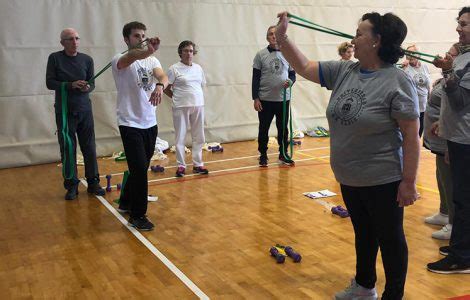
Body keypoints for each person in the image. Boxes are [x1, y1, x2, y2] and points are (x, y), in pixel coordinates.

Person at [276, 11, 420, 299]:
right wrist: (282, 38)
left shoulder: (397, 81)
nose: (353, 37)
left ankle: (394, 294)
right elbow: (303, 66)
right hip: (349, 176)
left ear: (377, 41)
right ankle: (365, 286)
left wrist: (408, 182)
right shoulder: (345, 71)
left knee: (390, 239)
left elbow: (411, 137)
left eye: (360, 32)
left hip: (384, 178)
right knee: (364, 234)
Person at [111, 21, 168, 231]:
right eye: (136, 36)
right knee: (139, 170)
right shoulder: (119, 60)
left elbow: (162, 76)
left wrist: (161, 86)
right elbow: (134, 56)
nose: (141, 38)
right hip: (129, 123)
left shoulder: (152, 59)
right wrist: (146, 50)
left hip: (149, 122)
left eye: (143, 35)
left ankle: (126, 200)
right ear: (126, 39)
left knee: (140, 167)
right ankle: (138, 215)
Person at [427, 6, 470, 274]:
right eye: (459, 23)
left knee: (464, 199)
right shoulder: (464, 58)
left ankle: (462, 256)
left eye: (464, 24)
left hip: (466, 140)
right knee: (461, 197)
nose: (458, 28)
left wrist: (447, 73)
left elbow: (461, 101)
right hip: (458, 138)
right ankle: (462, 245)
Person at [46, 28, 105, 200]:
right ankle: (71, 185)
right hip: (65, 112)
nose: (75, 41)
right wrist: (71, 85)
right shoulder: (55, 58)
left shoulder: (87, 59)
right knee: (68, 148)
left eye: (77, 38)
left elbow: (92, 83)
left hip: (85, 110)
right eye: (70, 39)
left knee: (89, 147)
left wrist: (87, 87)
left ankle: (93, 183)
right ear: (62, 42)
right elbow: (50, 83)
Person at [423, 44, 460, 241]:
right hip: (437, 138)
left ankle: (453, 224)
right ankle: (444, 212)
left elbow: (454, 107)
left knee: (450, 181)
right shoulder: (442, 79)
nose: (447, 55)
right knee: (441, 176)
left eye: (451, 55)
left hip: (447, 138)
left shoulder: (456, 80)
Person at [252, 25, 296, 167]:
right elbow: (255, 78)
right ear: (267, 37)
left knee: (283, 128)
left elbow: (292, 75)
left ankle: (283, 153)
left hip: (283, 99)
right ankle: (263, 155)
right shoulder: (260, 54)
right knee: (263, 128)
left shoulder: (288, 54)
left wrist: (290, 81)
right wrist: (255, 98)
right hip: (265, 99)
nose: (273, 36)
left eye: (275, 34)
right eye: (270, 34)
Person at [164, 41, 209, 177]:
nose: (188, 53)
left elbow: (201, 85)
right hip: (180, 107)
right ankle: (181, 166)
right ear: (180, 52)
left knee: (198, 136)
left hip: (198, 105)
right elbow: (166, 87)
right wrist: (176, 97)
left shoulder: (198, 68)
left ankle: (198, 164)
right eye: (185, 51)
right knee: (180, 136)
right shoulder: (174, 69)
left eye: (190, 51)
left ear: (193, 53)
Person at [402, 44, 431, 137]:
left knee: (419, 132)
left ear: (418, 55)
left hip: (423, 105)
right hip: (412, 106)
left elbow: (428, 85)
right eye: (408, 54)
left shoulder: (425, 67)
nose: (410, 56)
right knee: (411, 133)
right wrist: (404, 69)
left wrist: (430, 101)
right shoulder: (405, 69)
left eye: (412, 53)